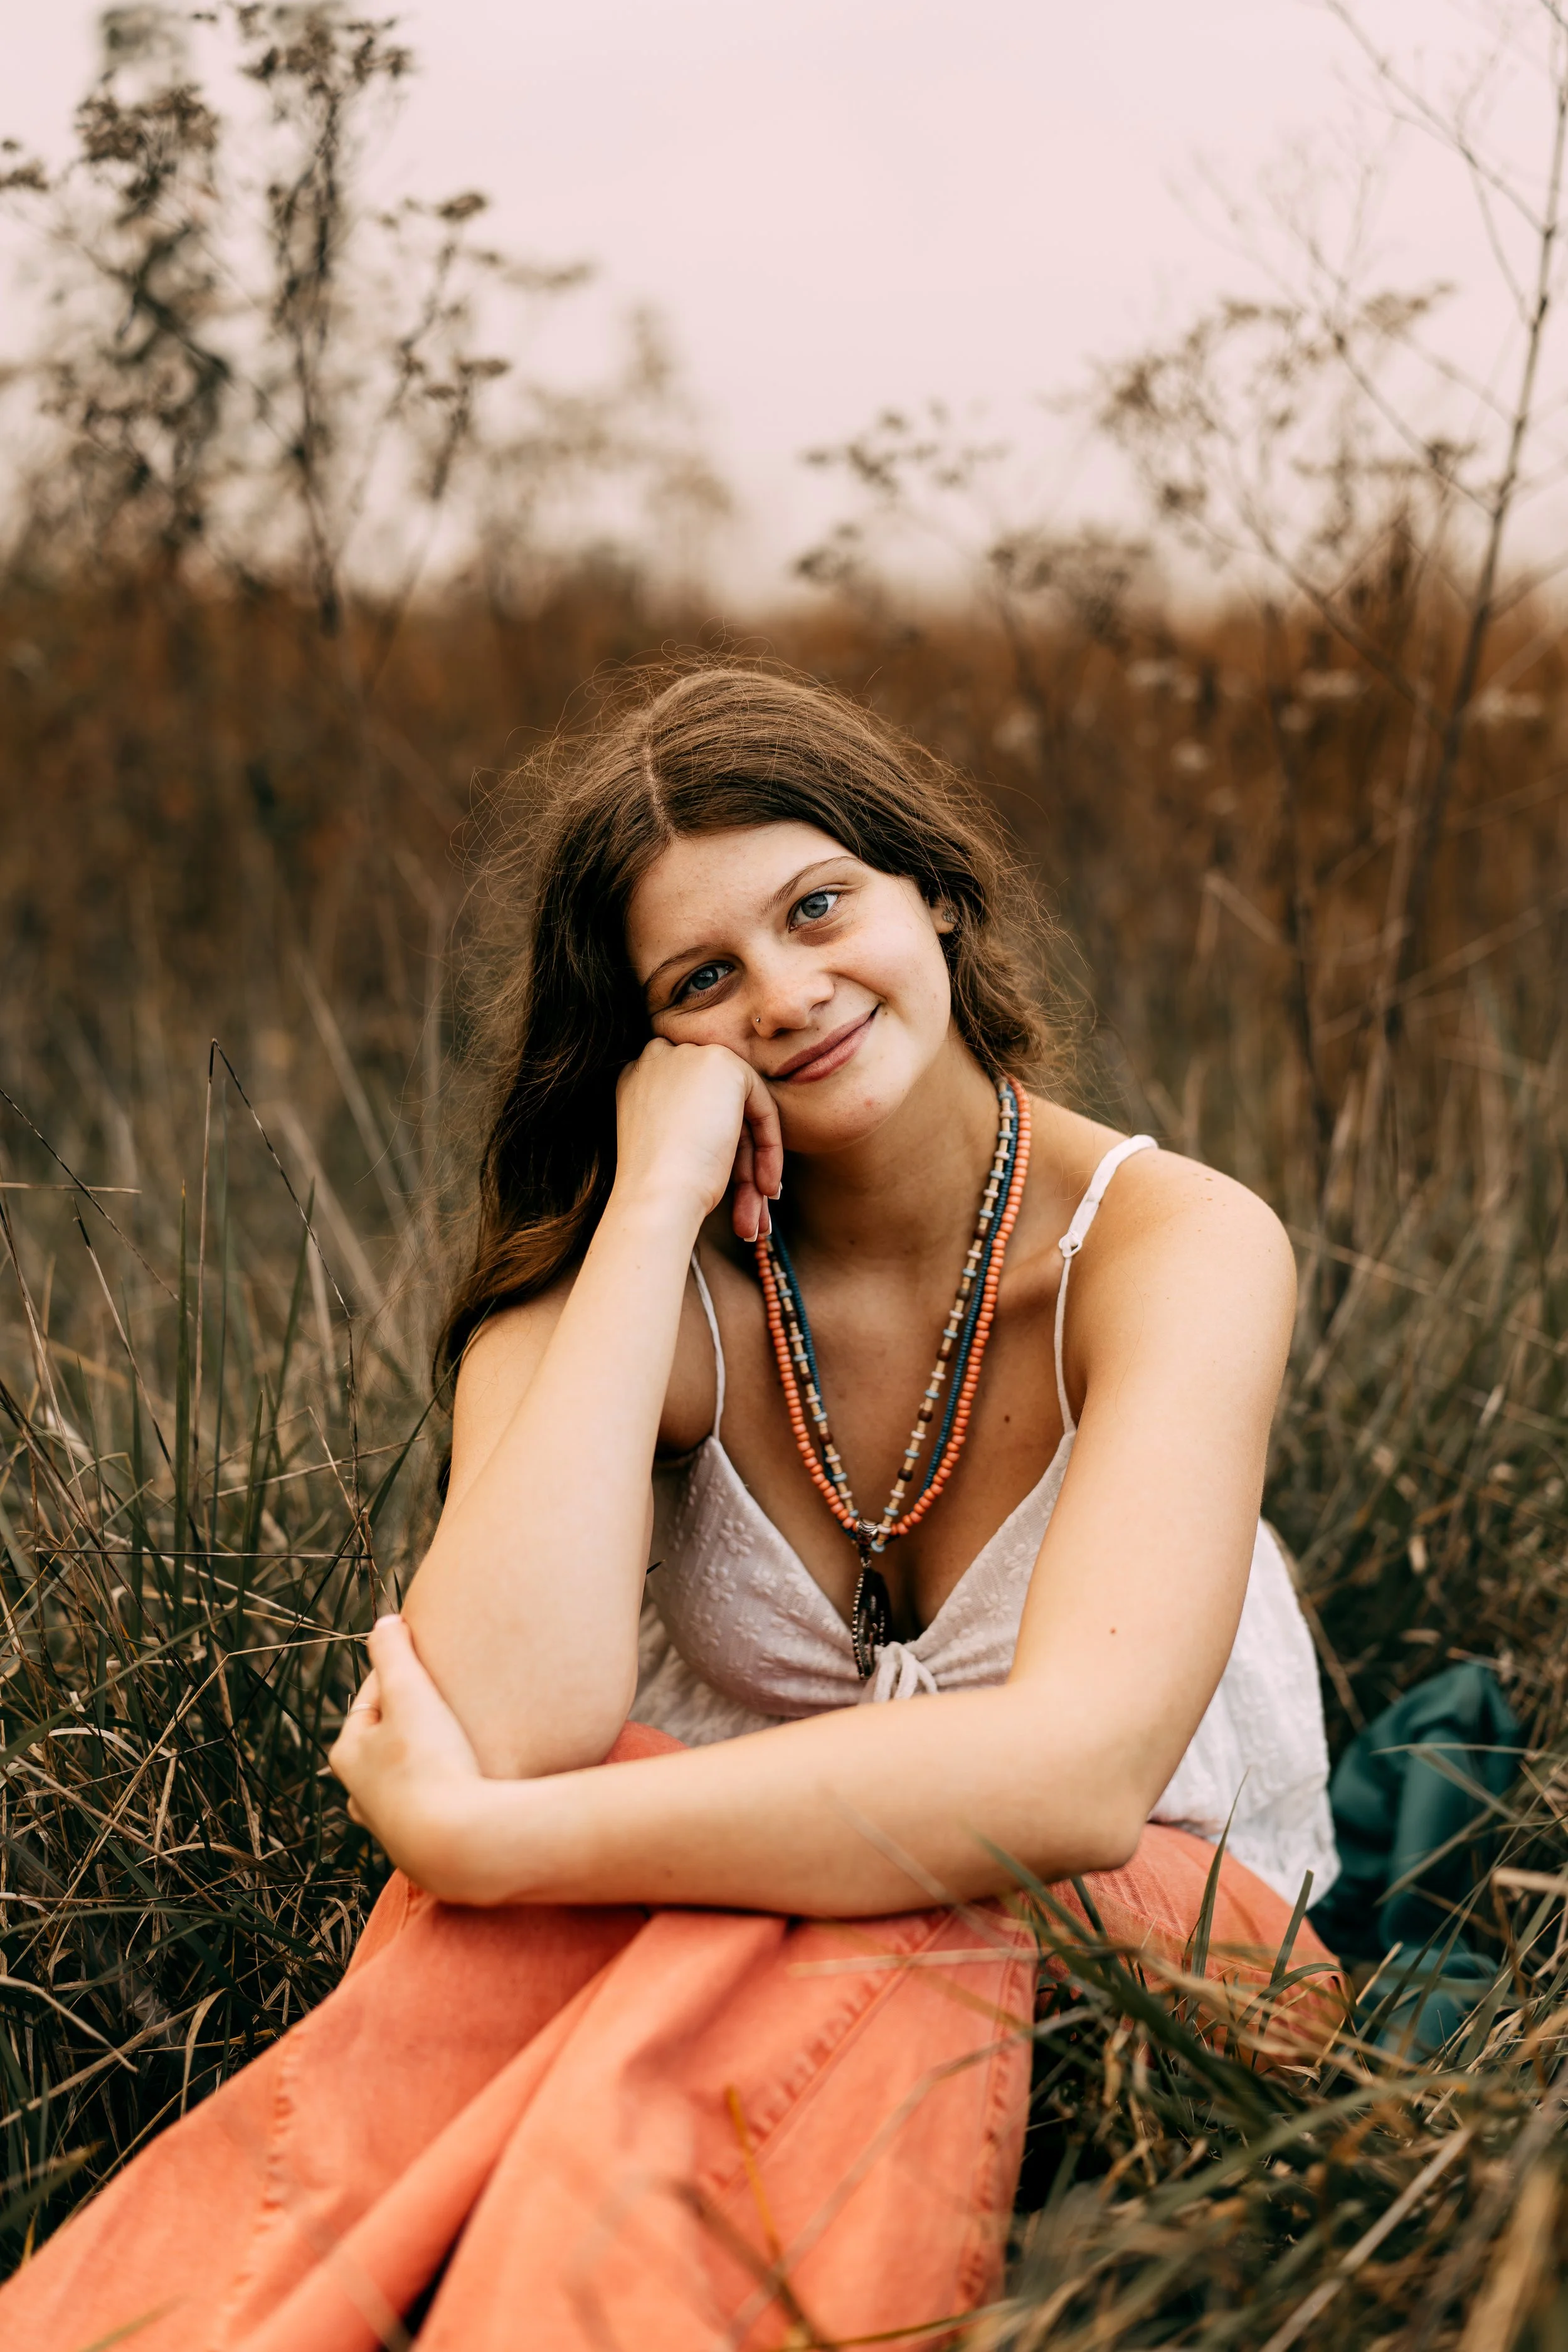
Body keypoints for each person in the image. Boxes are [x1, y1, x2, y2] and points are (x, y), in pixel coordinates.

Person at [1, 664, 1340, 2352]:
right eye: (705, 975)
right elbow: (501, 1714)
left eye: (817, 905)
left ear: (931, 886)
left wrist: (502, 1846)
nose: (785, 991)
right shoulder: (649, 1275)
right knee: (775, 1887)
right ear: (641, 1041)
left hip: (1169, 1943)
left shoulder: (1173, 1242)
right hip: (731, 1940)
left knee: (872, 1869)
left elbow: (1067, 1778)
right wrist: (646, 1210)